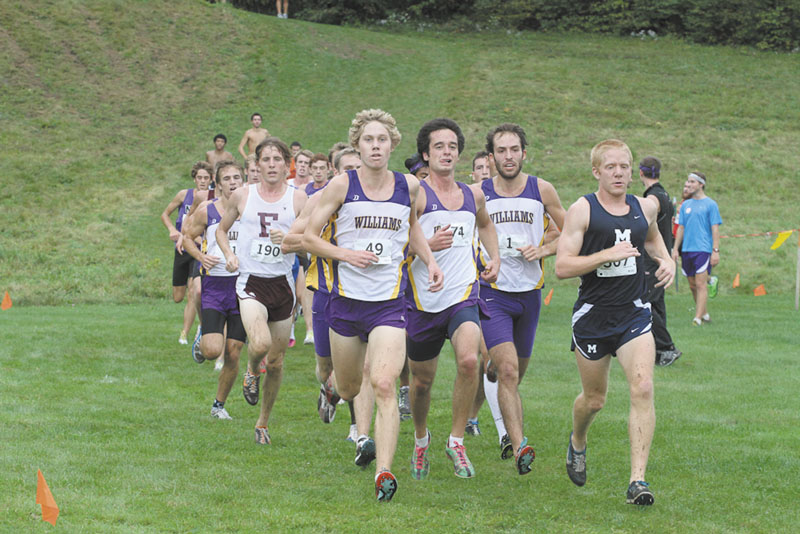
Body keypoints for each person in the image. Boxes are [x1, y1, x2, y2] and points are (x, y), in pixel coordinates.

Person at [302, 109, 443, 502]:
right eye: (368, 140)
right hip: (345, 303)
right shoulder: (340, 186)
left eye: (382, 139)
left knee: (383, 383)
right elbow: (310, 238)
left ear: (393, 143)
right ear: (357, 145)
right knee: (350, 386)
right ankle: (333, 390)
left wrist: (430, 261)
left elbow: (411, 227)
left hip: (388, 304)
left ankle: (383, 471)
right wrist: (345, 253)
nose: (376, 146)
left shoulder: (410, 186)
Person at [555, 139, 674, 506]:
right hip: (593, 316)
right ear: (597, 171)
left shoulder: (643, 207)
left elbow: (651, 239)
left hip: (634, 313)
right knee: (594, 400)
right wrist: (606, 254)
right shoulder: (582, 210)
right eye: (611, 167)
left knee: (643, 388)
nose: (619, 172)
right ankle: (578, 442)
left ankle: (637, 480)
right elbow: (562, 267)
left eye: (624, 166)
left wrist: (666, 259)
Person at [406, 118, 500, 480]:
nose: (447, 152)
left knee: (468, 361)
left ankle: (456, 440)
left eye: (452, 146)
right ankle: (420, 439)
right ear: (426, 154)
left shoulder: (472, 194)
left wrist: (495, 258)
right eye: (439, 147)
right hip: (424, 300)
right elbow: (403, 240)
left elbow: (486, 224)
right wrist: (428, 247)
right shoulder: (416, 193)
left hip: (463, 294)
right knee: (422, 382)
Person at [478, 123, 566, 475]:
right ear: (491, 156)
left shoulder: (541, 189)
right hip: (492, 293)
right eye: (501, 151)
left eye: (514, 149)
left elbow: (571, 230)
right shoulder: (478, 192)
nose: (508, 156)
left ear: (524, 153)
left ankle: (492, 366)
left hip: (529, 296)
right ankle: (518, 446)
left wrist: (543, 248)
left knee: (515, 371)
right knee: (510, 371)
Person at [216, 137, 307, 445]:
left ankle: (263, 423)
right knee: (261, 344)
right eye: (265, 160)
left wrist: (291, 239)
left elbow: (310, 239)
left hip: (282, 285)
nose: (271, 165)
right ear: (256, 165)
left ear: (287, 164)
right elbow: (220, 229)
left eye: (277, 159)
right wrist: (229, 254)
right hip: (251, 281)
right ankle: (252, 370)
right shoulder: (243, 195)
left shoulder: (299, 199)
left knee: (278, 362)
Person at [180, 161, 246, 419]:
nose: (232, 182)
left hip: (243, 287)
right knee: (212, 351)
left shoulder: (251, 209)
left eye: (237, 177)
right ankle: (201, 340)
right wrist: (201, 256)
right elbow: (186, 237)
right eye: (227, 178)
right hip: (215, 287)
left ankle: (219, 405)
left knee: (234, 350)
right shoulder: (208, 211)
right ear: (218, 184)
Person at [160, 162, 212, 345]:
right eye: (200, 178)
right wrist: (172, 230)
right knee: (178, 297)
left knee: (193, 291)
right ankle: (199, 319)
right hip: (182, 250)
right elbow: (165, 214)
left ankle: (186, 332)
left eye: (206, 178)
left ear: (211, 179)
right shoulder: (184, 195)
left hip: (198, 251)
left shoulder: (212, 199)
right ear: (194, 179)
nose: (203, 181)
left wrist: (192, 239)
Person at [639, 157, 681, 365]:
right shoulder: (663, 194)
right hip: (662, 257)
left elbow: (648, 211)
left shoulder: (653, 198)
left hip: (652, 259)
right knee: (656, 303)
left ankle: (666, 347)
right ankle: (658, 350)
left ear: (640, 173)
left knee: (644, 302)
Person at [465, 149, 493, 435]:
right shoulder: (465, 200)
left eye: (488, 166)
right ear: (472, 174)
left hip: (499, 286)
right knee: (474, 359)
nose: (484, 171)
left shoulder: (501, 202)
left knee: (489, 360)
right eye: (479, 168)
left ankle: (472, 415)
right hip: (469, 286)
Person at [672, 171, 722, 326]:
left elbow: (715, 229)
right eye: (688, 181)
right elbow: (681, 228)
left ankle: (697, 318)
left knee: (700, 285)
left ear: (701, 184)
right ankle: (704, 313)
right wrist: (675, 249)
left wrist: (715, 251)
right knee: (692, 285)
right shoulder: (685, 205)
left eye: (693, 182)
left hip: (703, 249)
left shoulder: (711, 204)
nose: (689, 185)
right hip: (687, 249)